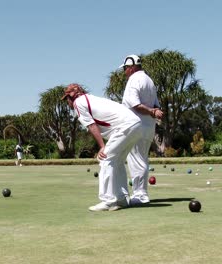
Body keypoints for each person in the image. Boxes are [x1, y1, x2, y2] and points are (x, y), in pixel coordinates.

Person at [62, 83, 143, 211]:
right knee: (117, 161)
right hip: (137, 124)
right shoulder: (91, 99)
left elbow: (91, 125)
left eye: (67, 98)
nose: (67, 102)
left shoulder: (78, 103)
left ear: (72, 96)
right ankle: (121, 199)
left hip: (126, 126)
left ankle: (108, 201)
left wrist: (102, 146)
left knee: (105, 158)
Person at [119, 54, 164, 206]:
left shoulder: (134, 80)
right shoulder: (149, 80)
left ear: (131, 68)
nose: (124, 72)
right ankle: (140, 193)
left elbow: (134, 104)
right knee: (141, 159)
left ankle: (140, 195)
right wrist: (154, 112)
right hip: (148, 127)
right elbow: (156, 105)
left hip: (135, 125)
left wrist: (151, 112)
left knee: (137, 161)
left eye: (125, 68)